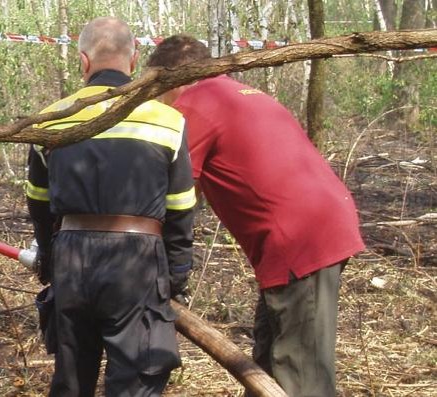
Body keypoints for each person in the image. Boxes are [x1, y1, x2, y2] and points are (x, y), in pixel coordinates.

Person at [146, 34, 365, 397]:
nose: (155, 98)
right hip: (317, 225)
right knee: (271, 357)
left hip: (301, 236)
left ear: (173, 79)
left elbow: (175, 196)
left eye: (156, 87)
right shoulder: (236, 92)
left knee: (300, 373)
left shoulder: (194, 106)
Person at [26, 17, 197, 397]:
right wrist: (176, 276)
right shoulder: (168, 121)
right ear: (134, 60)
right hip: (137, 262)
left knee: (71, 379)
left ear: (83, 62)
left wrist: (50, 259)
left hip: (72, 260)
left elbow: (38, 203)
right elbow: (181, 209)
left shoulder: (50, 119)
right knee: (135, 381)